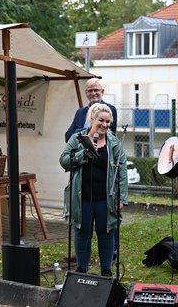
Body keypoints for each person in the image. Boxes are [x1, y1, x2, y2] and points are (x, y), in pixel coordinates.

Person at [59, 103, 128, 277]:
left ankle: (106, 271)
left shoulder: (114, 143)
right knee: (82, 232)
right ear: (92, 119)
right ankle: (82, 269)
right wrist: (84, 154)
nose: (105, 125)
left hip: (106, 198)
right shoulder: (77, 138)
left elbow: (122, 172)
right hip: (82, 196)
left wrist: (122, 198)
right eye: (101, 121)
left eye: (108, 122)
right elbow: (64, 161)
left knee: (106, 233)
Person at [65, 78, 117, 142]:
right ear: (86, 93)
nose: (93, 93)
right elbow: (68, 136)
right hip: (80, 150)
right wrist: (86, 131)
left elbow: (110, 135)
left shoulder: (110, 110)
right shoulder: (80, 112)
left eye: (96, 90)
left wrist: (79, 131)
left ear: (102, 92)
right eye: (90, 90)